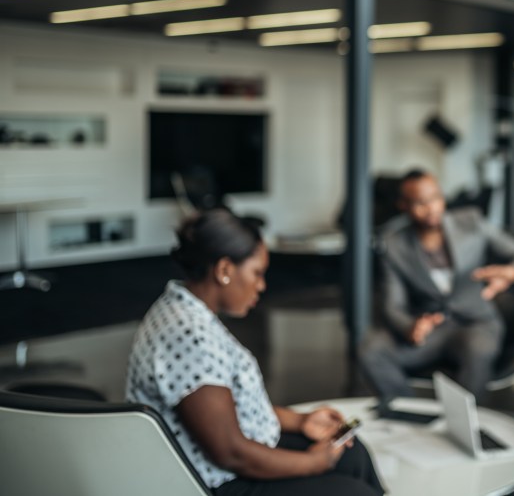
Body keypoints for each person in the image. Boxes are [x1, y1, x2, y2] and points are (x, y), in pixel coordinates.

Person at [126, 209, 385, 496]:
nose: (261, 286)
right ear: (224, 270)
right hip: (217, 482)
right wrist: (312, 463)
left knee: (349, 453)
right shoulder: (188, 335)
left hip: (227, 462)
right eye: (257, 273)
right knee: (349, 491)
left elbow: (224, 409)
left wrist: (300, 421)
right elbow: (230, 452)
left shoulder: (182, 307)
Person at [358, 169, 514, 400]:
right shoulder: (393, 246)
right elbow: (393, 304)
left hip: (476, 323)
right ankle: (408, 413)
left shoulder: (471, 223)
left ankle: (468, 424)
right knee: (371, 350)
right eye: (420, 202)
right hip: (431, 329)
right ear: (403, 205)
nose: (431, 207)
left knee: (478, 349)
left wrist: (511, 272)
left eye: (435, 197)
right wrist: (410, 327)